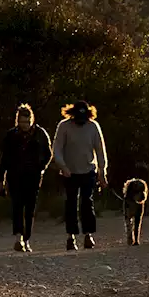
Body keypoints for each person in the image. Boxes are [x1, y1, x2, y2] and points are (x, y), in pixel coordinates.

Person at [52, 99, 108, 251]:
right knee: (70, 203)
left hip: (88, 170)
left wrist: (102, 172)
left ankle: (88, 234)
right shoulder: (64, 126)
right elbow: (57, 149)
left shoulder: (93, 127)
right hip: (69, 172)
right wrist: (62, 166)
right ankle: (71, 236)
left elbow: (100, 150)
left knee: (87, 202)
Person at [0, 103, 52, 252]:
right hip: (15, 175)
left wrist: (41, 167)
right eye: (22, 122)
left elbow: (48, 153)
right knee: (17, 206)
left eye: (27, 122)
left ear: (32, 120)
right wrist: (1, 179)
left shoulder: (40, 134)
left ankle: (27, 238)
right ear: (18, 121)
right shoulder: (11, 135)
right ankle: (18, 237)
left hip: (33, 176)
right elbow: (5, 158)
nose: (25, 125)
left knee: (30, 208)